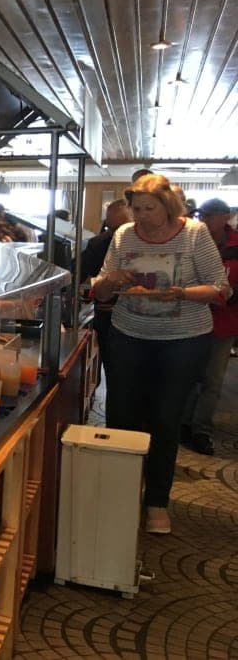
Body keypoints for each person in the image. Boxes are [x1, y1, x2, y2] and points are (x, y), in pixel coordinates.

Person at [92, 174, 229, 535]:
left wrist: (181, 293)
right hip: (129, 334)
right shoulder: (124, 235)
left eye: (149, 209)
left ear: (168, 206)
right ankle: (121, 493)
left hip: (183, 339)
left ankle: (156, 500)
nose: (141, 216)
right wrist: (111, 280)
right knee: (121, 415)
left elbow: (220, 288)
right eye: (136, 209)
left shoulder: (194, 233)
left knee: (165, 419)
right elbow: (101, 292)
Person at [182, 198, 238, 456]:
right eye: (202, 215)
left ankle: (201, 429)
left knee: (212, 380)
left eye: (210, 215)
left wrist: (226, 295)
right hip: (191, 319)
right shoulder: (193, 240)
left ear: (225, 217)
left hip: (223, 322)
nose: (204, 220)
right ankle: (183, 423)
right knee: (187, 376)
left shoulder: (235, 246)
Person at [79, 198, 132, 387]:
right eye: (111, 228)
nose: (116, 234)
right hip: (107, 316)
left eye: (120, 227)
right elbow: (79, 273)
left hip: (147, 322)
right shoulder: (98, 243)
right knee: (115, 371)